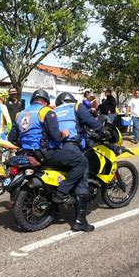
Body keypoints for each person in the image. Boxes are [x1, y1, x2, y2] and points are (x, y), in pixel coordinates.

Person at [8, 90, 94, 232]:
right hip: (46, 153)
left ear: (32, 101)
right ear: (46, 101)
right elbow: (56, 136)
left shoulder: (20, 114)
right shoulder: (45, 112)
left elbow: (12, 138)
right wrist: (64, 134)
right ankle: (62, 192)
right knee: (81, 162)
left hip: (27, 153)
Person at [53, 91, 104, 232]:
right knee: (83, 175)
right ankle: (80, 221)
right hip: (72, 145)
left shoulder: (54, 111)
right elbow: (90, 121)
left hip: (55, 148)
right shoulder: (76, 107)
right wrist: (102, 129)